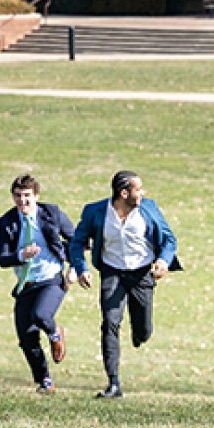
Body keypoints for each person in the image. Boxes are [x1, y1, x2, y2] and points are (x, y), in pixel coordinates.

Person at [68, 170, 179, 399]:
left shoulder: (148, 208)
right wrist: (81, 269)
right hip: (112, 272)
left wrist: (163, 261)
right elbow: (77, 242)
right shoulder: (95, 212)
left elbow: (169, 239)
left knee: (144, 330)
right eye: (138, 189)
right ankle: (113, 383)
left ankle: (140, 334)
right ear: (124, 192)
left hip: (141, 274)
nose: (143, 193)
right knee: (110, 322)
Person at [0, 175, 75, 393]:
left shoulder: (52, 213)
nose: (23, 201)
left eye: (27, 196)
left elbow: (76, 242)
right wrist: (21, 254)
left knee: (41, 315)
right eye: (18, 196)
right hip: (26, 284)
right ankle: (45, 381)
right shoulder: (7, 221)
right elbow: (2, 258)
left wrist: (75, 269)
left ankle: (55, 334)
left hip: (52, 280)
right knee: (26, 338)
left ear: (36, 196)